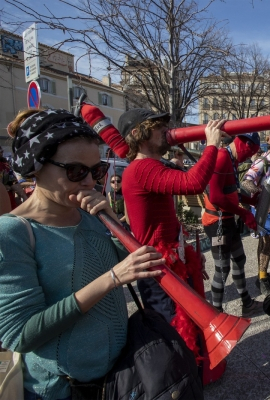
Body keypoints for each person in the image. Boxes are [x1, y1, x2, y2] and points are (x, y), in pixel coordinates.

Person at [0, 109, 164, 399]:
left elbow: (124, 260)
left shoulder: (88, 215)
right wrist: (111, 279)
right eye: (76, 171)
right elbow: (20, 334)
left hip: (117, 376)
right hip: (62, 389)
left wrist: (112, 218)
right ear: (36, 167)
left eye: (97, 170)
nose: (89, 182)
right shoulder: (12, 233)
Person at [93, 106, 223, 361]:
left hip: (168, 262)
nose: (167, 130)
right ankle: (180, 381)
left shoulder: (147, 166)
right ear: (140, 134)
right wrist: (211, 145)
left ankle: (191, 375)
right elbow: (192, 183)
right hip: (159, 270)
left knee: (183, 327)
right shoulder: (142, 169)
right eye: (158, 127)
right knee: (174, 331)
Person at [202, 132, 262, 316]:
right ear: (243, 143)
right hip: (217, 222)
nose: (249, 155)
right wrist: (244, 212)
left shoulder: (231, 159)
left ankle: (246, 303)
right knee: (222, 269)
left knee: (239, 260)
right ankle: (216, 312)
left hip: (227, 220)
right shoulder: (221, 157)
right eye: (250, 150)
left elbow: (230, 191)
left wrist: (250, 200)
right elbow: (216, 196)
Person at [241, 131, 270, 295]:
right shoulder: (263, 161)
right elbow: (246, 182)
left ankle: (263, 275)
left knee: (265, 243)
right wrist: (262, 196)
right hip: (263, 209)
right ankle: (262, 280)